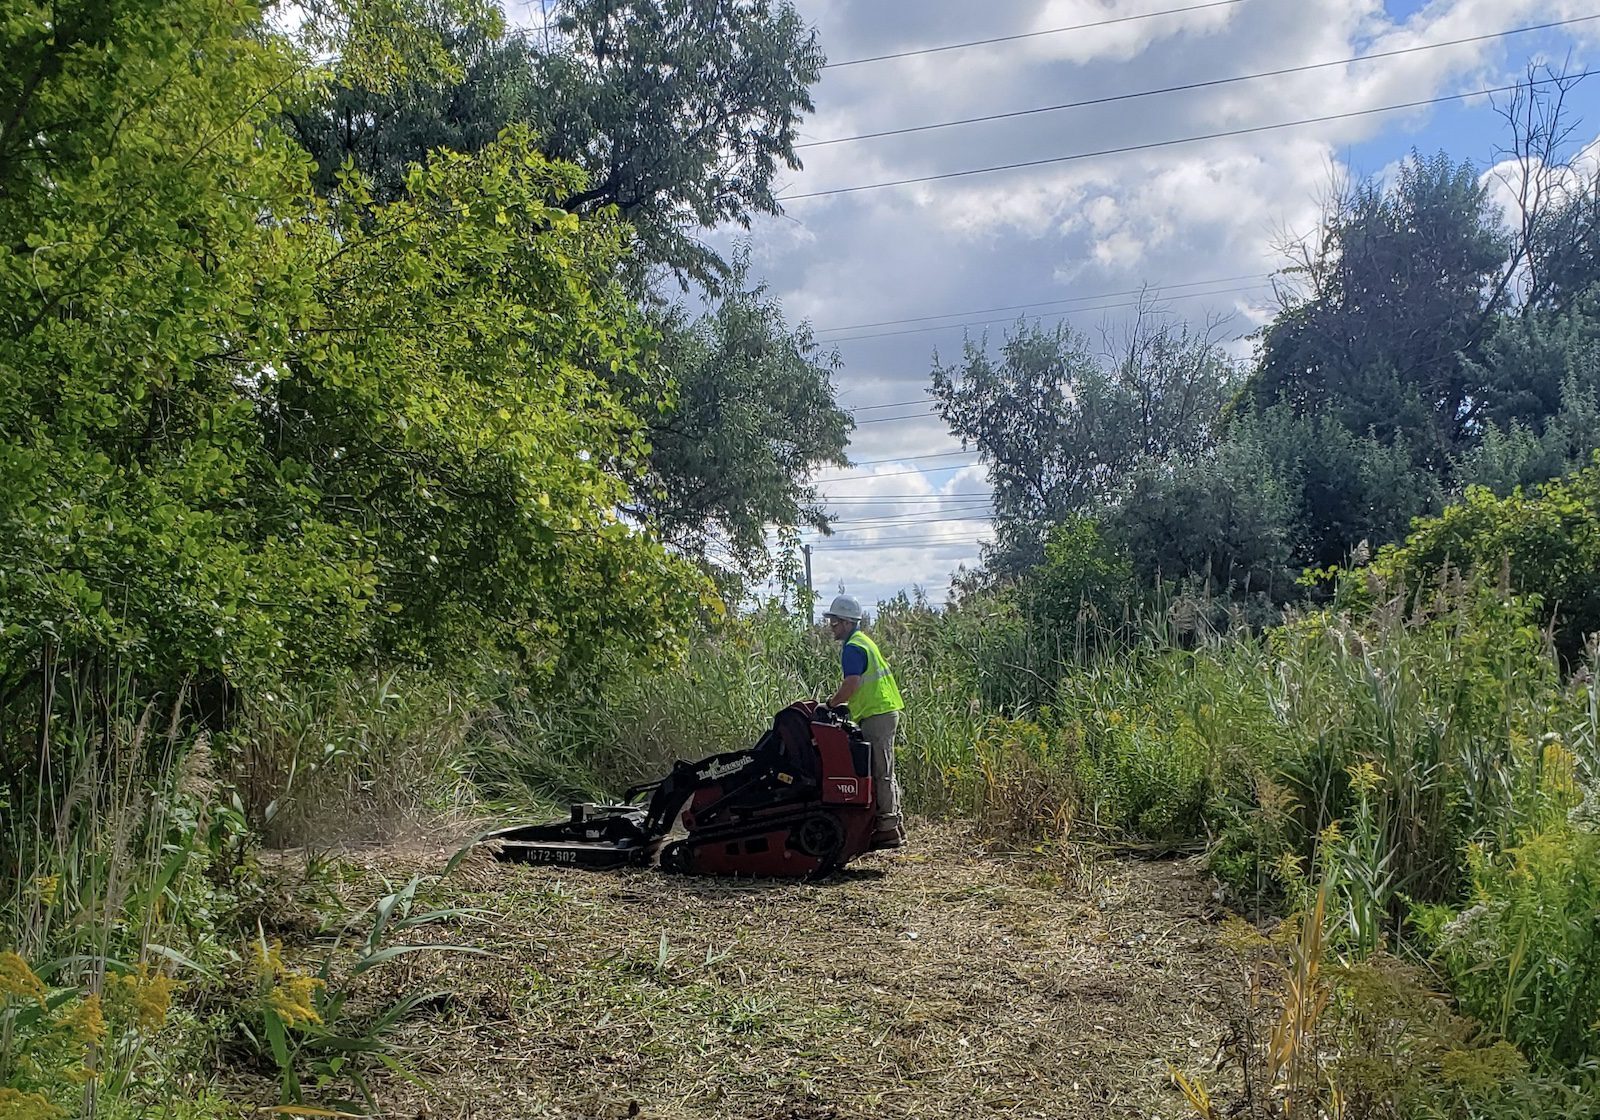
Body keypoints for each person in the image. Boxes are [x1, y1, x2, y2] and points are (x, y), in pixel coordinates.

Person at [822, 594, 906, 850]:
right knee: (885, 769)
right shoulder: (864, 641)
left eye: (835, 623)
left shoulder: (853, 647)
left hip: (877, 713)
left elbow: (852, 683)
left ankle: (887, 829)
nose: (832, 628)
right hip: (881, 711)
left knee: (880, 772)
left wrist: (831, 704)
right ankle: (894, 823)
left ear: (847, 622)